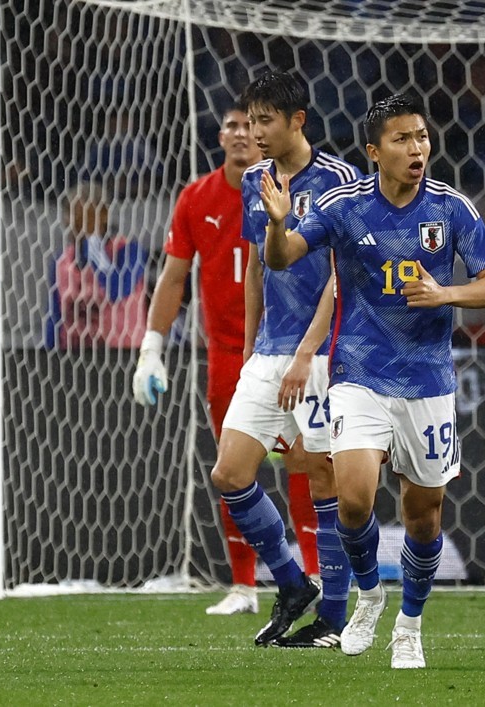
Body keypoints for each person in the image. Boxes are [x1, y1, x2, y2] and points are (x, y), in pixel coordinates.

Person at [260, 92, 485, 668]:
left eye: (421, 137)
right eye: (402, 139)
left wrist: (446, 292)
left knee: (425, 513)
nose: (417, 148)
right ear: (375, 152)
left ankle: (410, 624)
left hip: (427, 382)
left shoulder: (451, 208)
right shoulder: (344, 205)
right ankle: (369, 597)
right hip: (358, 374)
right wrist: (278, 225)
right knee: (353, 497)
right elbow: (283, 257)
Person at [131, 105, 326, 616]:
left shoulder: (307, 187)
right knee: (235, 469)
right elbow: (174, 277)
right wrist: (152, 345)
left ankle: (318, 575)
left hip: (301, 348)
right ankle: (244, 585)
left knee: (307, 464)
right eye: (235, 126)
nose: (245, 134)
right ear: (220, 136)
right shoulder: (196, 197)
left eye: (253, 124)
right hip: (229, 353)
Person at [209, 69, 362, 649]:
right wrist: (252, 347)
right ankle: (292, 583)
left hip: (324, 352)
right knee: (230, 472)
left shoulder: (341, 181)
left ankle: (334, 616)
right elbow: (256, 268)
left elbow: (343, 274)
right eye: (248, 121)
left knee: (324, 476)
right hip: (270, 352)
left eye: (265, 121)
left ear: (298, 120)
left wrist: (305, 352)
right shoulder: (255, 180)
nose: (254, 132)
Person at [45, 180, 147, 349]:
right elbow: (54, 318)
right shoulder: (61, 261)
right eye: (70, 214)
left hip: (122, 354)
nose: (74, 222)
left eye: (84, 214)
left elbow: (116, 291)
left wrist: (93, 247)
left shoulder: (129, 252)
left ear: (104, 215)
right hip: (75, 354)